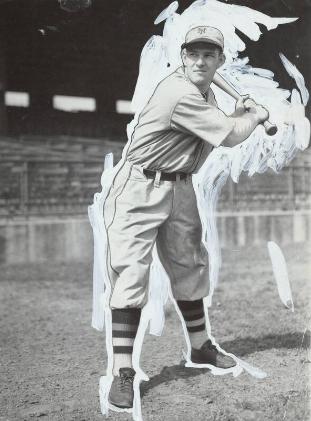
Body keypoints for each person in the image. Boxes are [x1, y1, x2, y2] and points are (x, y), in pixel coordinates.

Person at [102, 26, 269, 409]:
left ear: (219, 61)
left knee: (191, 265)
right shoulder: (179, 92)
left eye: (209, 55)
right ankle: (123, 370)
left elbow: (218, 127)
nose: (200, 61)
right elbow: (227, 135)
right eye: (193, 54)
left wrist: (235, 113)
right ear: (183, 57)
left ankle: (199, 347)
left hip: (180, 186)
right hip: (139, 186)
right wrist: (254, 116)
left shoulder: (205, 92)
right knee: (131, 275)